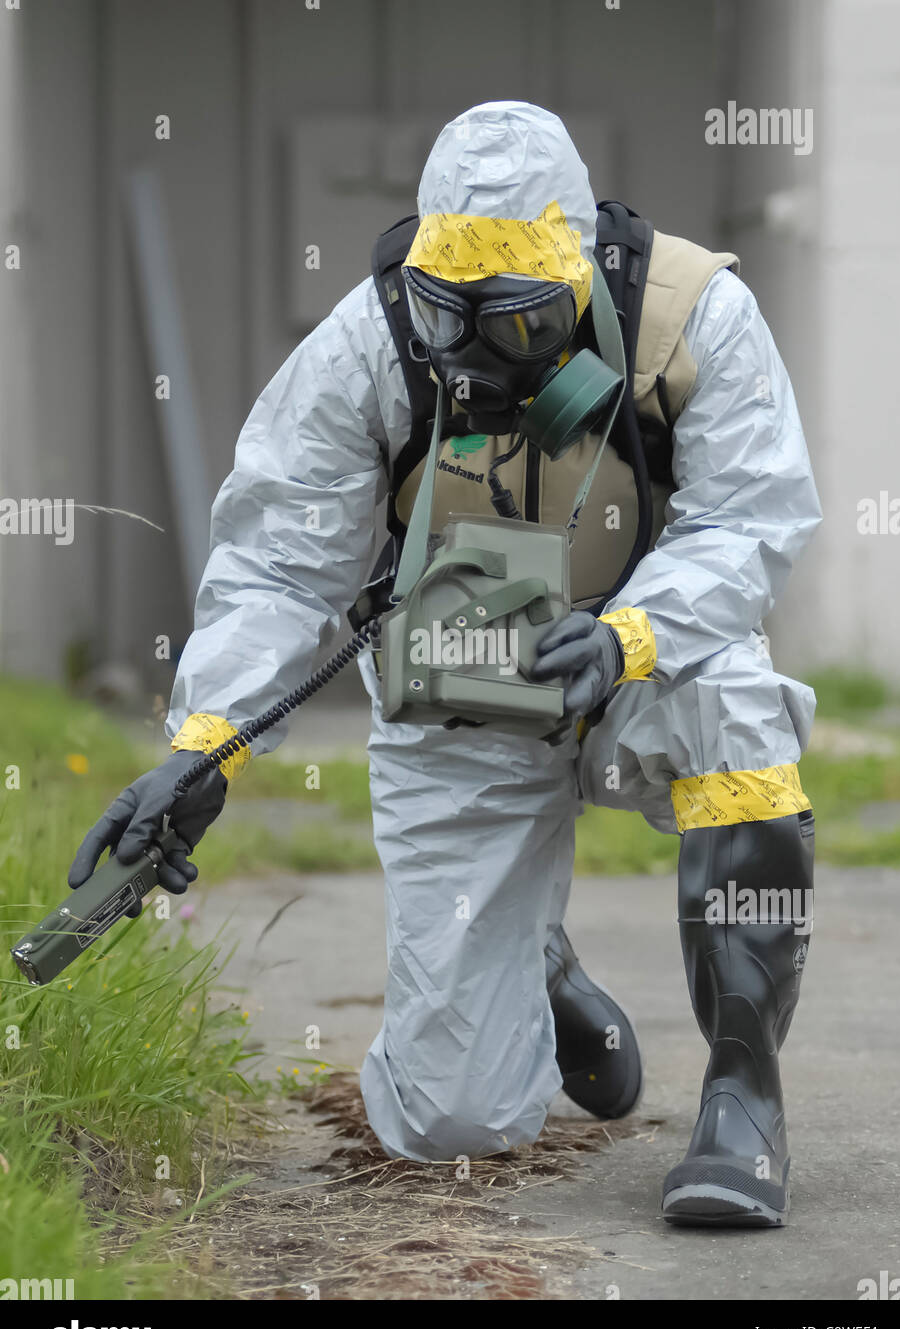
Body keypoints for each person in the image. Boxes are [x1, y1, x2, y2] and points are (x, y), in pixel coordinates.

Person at [70, 102, 821, 1228]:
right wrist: (202, 743)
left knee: (736, 704)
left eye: (514, 326)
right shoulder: (369, 339)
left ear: (575, 281)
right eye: (445, 315)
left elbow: (750, 519)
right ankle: (539, 964)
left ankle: (741, 1094)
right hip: (464, 689)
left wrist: (631, 633)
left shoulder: (687, 315)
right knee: (446, 1124)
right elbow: (280, 562)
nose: (474, 354)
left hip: (636, 667)